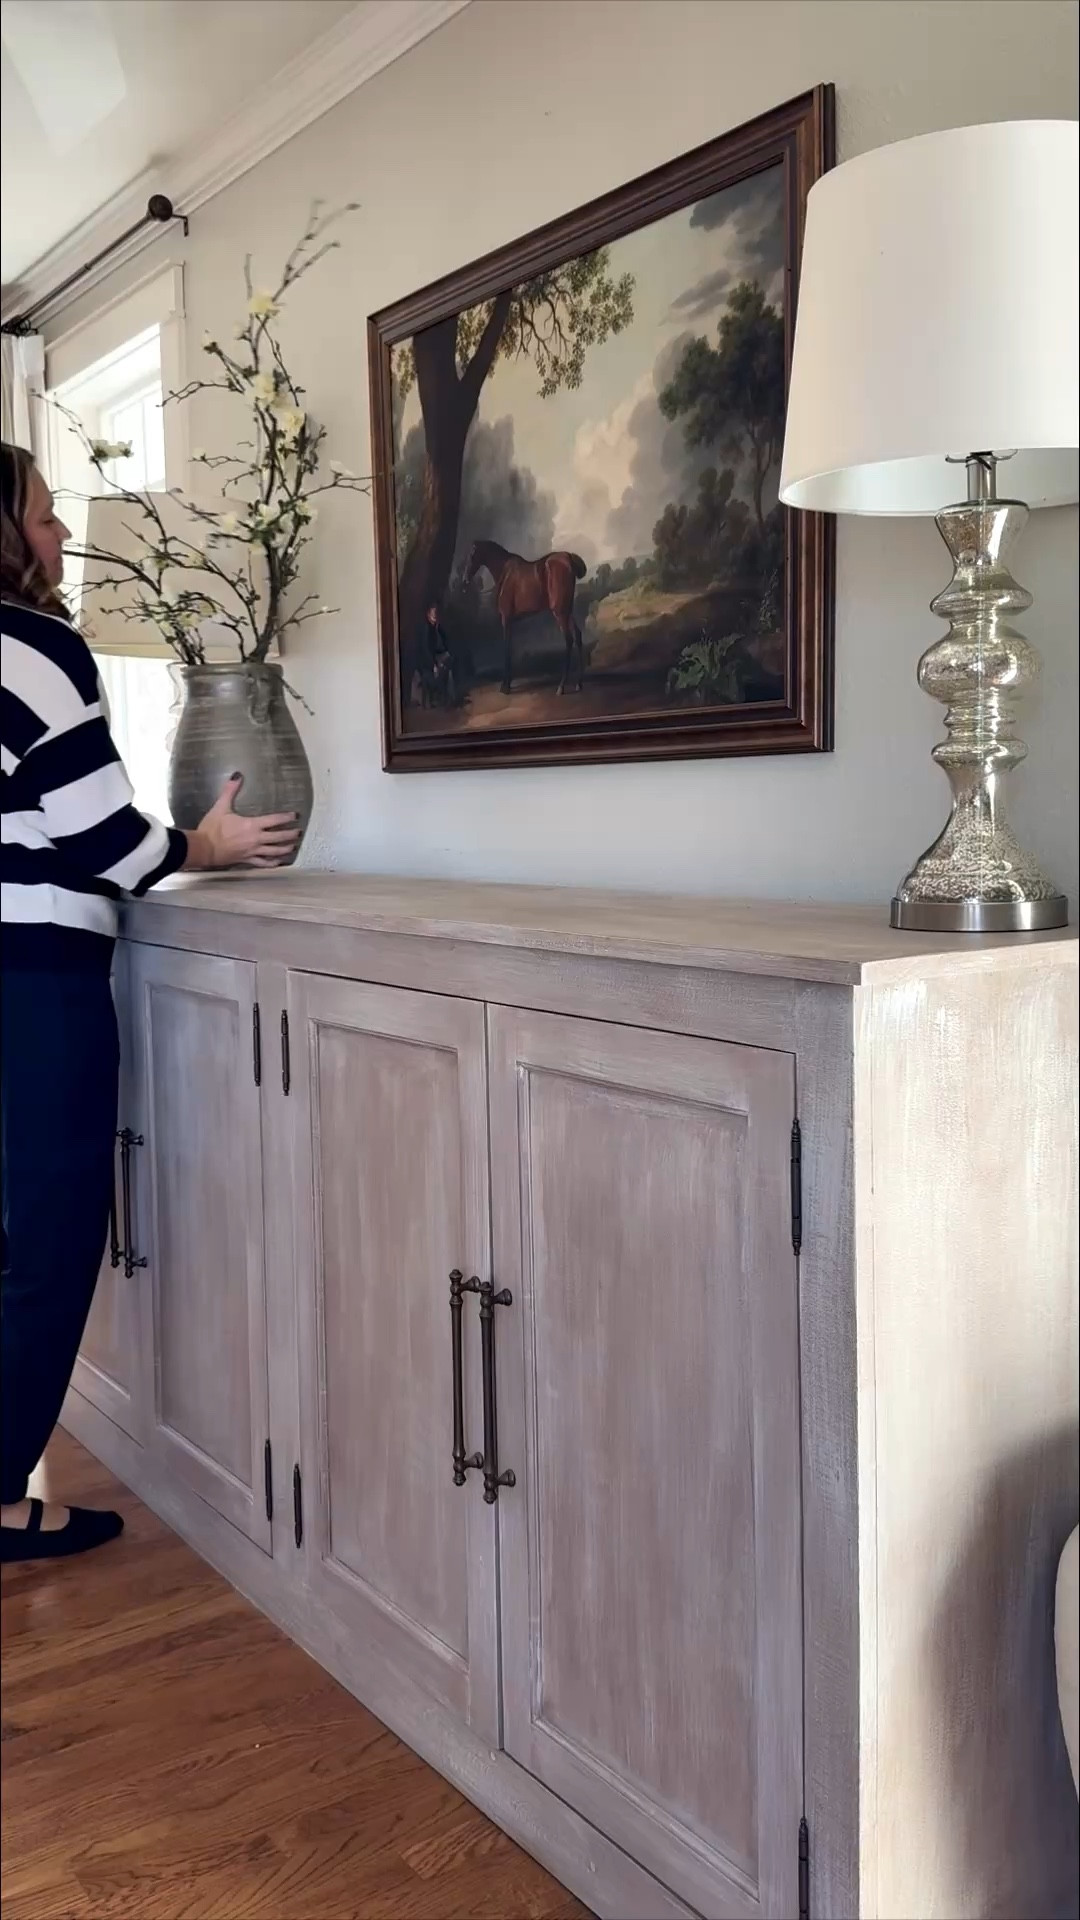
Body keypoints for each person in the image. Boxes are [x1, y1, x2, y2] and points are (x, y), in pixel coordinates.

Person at [1, 442, 300, 1563]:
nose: (60, 536)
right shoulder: (32, 647)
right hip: (31, 988)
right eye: (40, 515)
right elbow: (106, 843)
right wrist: (205, 842)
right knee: (55, 1238)